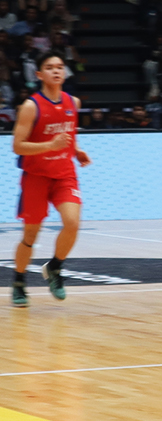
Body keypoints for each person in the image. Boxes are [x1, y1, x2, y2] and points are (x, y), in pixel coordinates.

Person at [11, 53, 89, 308]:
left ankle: (55, 267)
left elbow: (67, 131)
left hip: (64, 173)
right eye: (49, 67)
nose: (56, 71)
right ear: (39, 74)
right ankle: (19, 281)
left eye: (60, 67)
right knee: (30, 234)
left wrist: (76, 150)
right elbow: (18, 146)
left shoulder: (72, 102)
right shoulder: (30, 106)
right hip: (36, 177)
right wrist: (50, 145)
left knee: (72, 223)